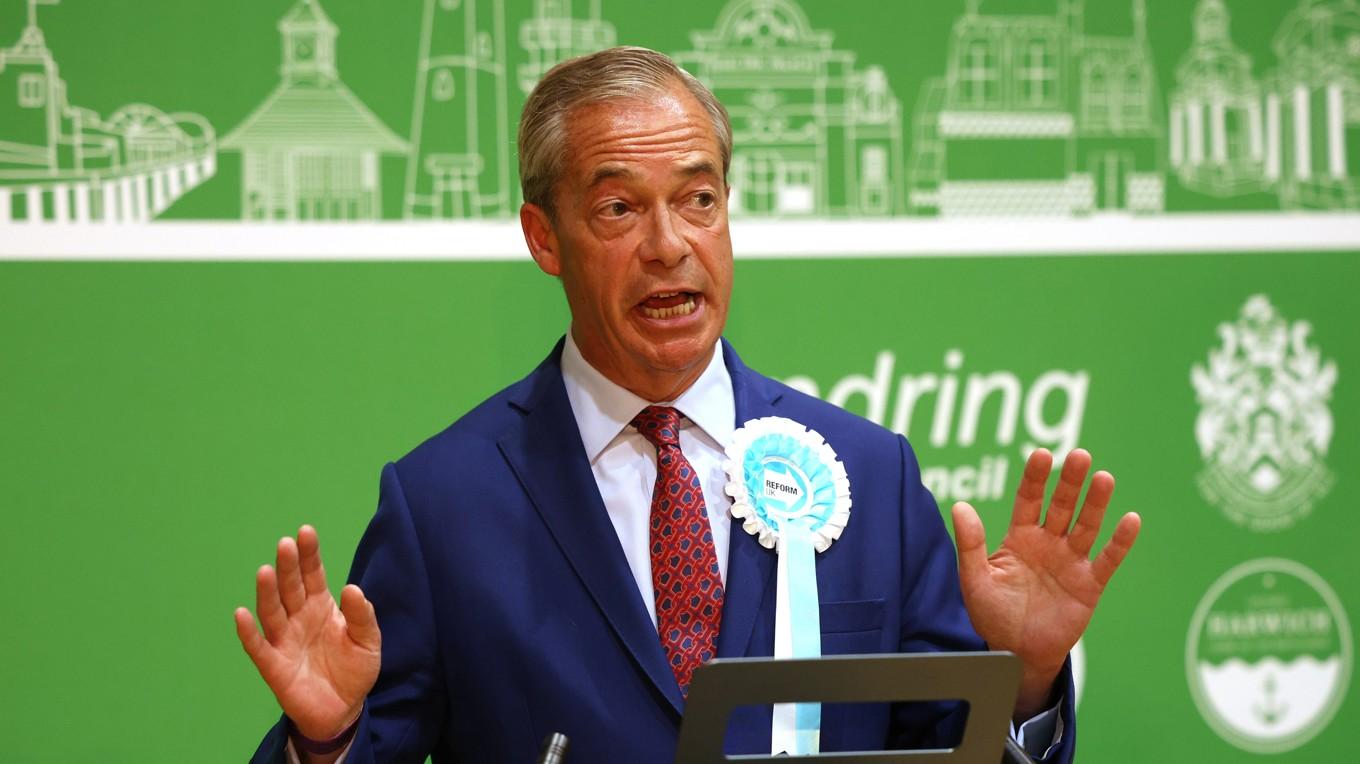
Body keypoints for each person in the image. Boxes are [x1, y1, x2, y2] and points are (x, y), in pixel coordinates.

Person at [235, 46, 1140, 764]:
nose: (670, 246)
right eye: (621, 209)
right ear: (544, 238)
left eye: (698, 200)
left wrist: (1024, 685)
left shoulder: (870, 474)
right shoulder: (441, 506)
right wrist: (327, 745)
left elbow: (949, 752)